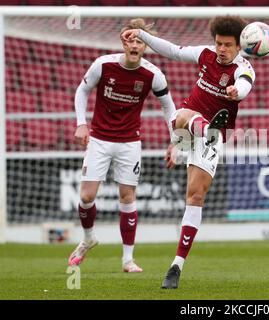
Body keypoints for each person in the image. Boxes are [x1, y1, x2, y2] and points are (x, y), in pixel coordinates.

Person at [122, 15, 255, 288]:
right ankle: (204, 129)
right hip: (189, 124)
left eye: (228, 45)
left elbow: (244, 86)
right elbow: (172, 50)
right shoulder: (205, 54)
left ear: (239, 46)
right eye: (219, 43)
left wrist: (234, 91)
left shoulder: (244, 68)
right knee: (182, 115)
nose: (222, 49)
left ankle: (175, 267)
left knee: (195, 196)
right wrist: (142, 35)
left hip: (213, 137)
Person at [68, 19, 177, 272]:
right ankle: (88, 239)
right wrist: (81, 123)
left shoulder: (153, 75)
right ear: (123, 42)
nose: (135, 45)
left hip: (129, 142)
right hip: (99, 139)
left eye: (140, 41)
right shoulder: (103, 65)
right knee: (86, 197)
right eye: (131, 40)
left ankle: (128, 259)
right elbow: (81, 92)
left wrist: (175, 141)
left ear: (146, 46)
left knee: (127, 197)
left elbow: (168, 107)